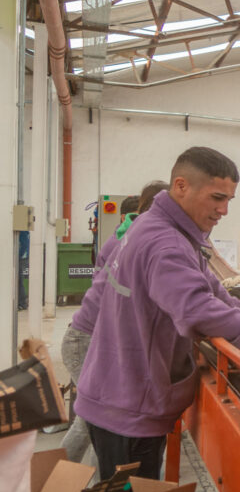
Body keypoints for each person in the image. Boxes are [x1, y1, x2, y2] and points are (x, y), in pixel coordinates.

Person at [75, 147, 240, 480]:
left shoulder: (155, 227)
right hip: (130, 402)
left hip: (118, 388)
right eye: (217, 198)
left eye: (229, 200)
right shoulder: (166, 243)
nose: (224, 210)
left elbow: (211, 289)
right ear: (181, 186)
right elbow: (196, 309)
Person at [60, 180, 169, 462]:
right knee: (97, 419)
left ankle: (87, 489)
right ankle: (54, 484)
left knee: (101, 419)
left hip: (98, 335)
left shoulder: (134, 235)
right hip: (87, 337)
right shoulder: (129, 239)